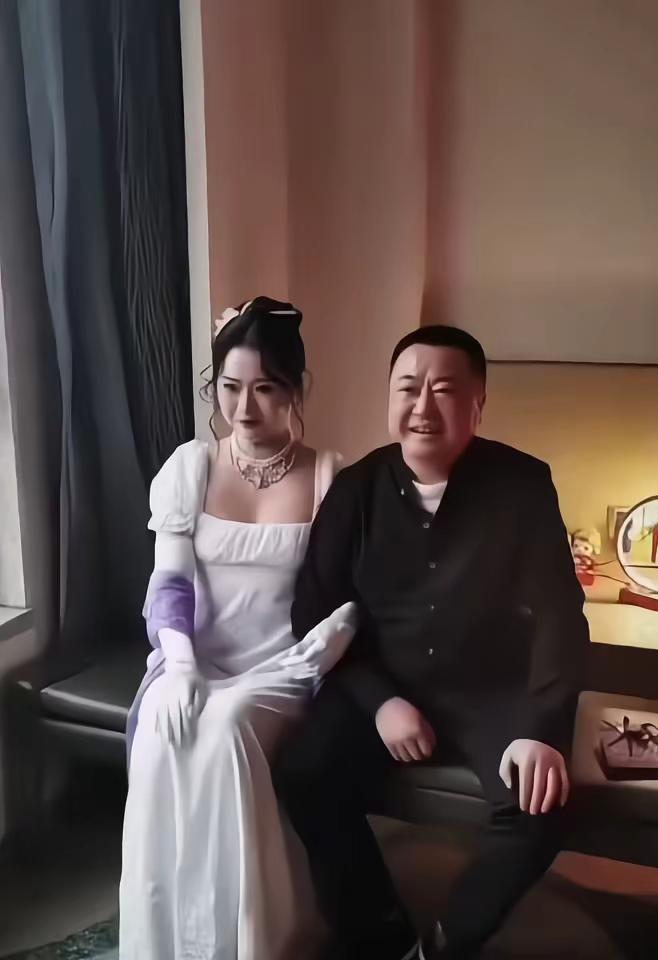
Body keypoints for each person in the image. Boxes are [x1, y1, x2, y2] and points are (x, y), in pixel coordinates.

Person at [275, 324, 590, 960]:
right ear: (389, 397)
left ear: (478, 404)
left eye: (443, 390)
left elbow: (561, 616)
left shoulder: (523, 484)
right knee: (305, 772)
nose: (423, 406)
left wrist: (541, 728)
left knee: (541, 807)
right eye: (408, 388)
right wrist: (379, 701)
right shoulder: (356, 489)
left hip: (490, 687)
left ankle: (447, 942)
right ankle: (379, 933)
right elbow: (313, 612)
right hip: (384, 681)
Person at [119, 296, 356, 960]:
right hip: (192, 656)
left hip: (283, 669)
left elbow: (352, 594)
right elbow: (170, 583)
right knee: (166, 725)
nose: (244, 408)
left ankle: (247, 939)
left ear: (296, 389)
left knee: (225, 727)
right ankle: (167, 940)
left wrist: (323, 648)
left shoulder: (330, 476)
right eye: (229, 388)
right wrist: (181, 663)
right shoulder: (190, 468)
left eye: (265, 389)